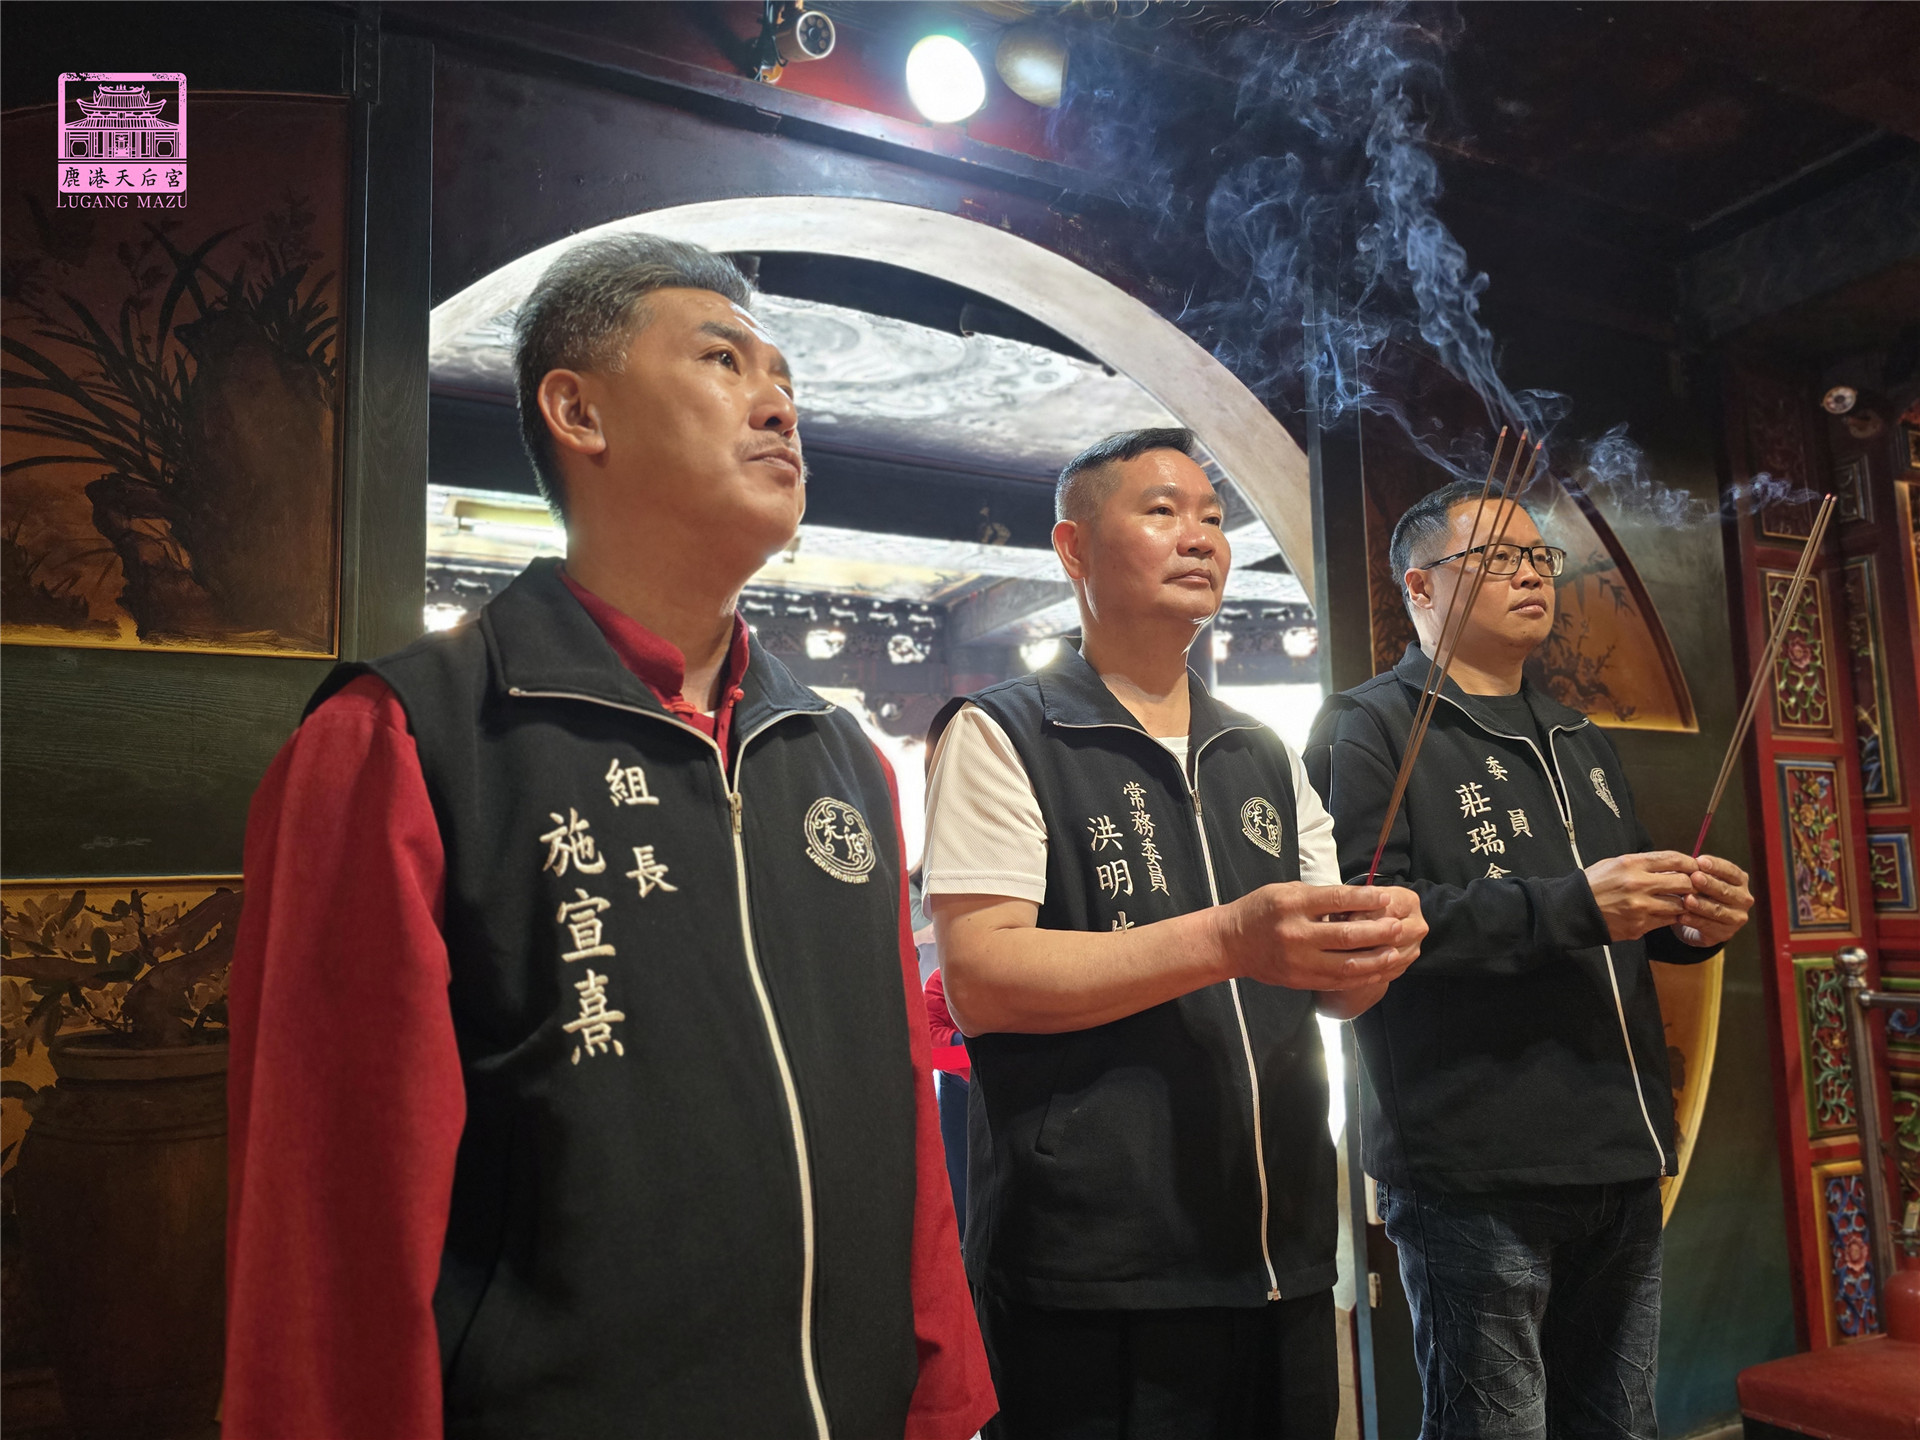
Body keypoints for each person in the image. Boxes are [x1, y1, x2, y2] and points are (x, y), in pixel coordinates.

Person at [224, 234, 995, 1440]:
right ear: (578, 411)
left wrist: (942, 1403)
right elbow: (328, 1215)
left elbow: (899, 1118)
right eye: (724, 360)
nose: (779, 403)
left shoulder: (839, 755)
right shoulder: (407, 738)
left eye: (784, 377)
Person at [923, 427, 1428, 1440]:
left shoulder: (1261, 750)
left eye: (1212, 517)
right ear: (1074, 548)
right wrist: (1230, 940)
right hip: (1096, 1267)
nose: (1200, 536)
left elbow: (1330, 988)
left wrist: (1372, 952)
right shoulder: (1005, 733)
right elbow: (982, 978)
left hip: (1281, 1246)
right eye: (1161, 510)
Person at [1304, 479, 1755, 1440]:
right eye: (1496, 558)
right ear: (1420, 585)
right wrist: (1576, 904)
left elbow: (1611, 919)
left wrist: (1688, 924)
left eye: (1539, 557)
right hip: (1477, 1159)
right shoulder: (1370, 726)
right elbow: (1364, 921)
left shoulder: (1577, 734)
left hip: (1619, 1145)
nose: (1530, 576)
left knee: (1619, 1422)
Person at [924, 967, 972, 1237]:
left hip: (998, 1087)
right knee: (959, 1175)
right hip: (959, 1089)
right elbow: (931, 1048)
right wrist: (973, 1048)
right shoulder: (942, 978)